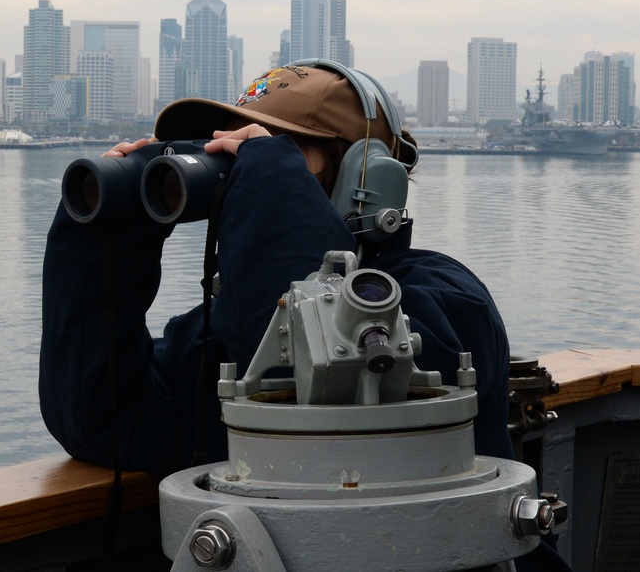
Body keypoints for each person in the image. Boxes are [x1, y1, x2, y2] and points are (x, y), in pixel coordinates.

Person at [39, 62, 568, 570]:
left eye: (270, 151)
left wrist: (269, 180)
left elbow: (331, 377)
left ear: (367, 174)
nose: (235, 166)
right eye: (226, 148)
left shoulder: (445, 299)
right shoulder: (225, 333)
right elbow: (102, 420)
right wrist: (105, 239)